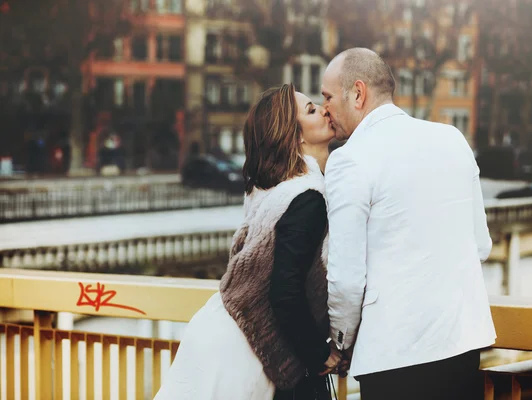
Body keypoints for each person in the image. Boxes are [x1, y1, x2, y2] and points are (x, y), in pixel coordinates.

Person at [321, 47, 496, 399]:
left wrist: (341, 344)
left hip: (395, 358)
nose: (324, 108)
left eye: (327, 97)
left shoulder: (349, 160)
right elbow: (481, 245)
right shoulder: (453, 139)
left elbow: (347, 279)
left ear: (358, 93)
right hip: (462, 346)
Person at [154, 83, 343, 400]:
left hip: (222, 335)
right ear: (294, 135)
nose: (324, 109)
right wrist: (318, 354)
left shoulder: (276, 190)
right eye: (312, 109)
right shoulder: (306, 197)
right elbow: (285, 292)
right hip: (243, 351)